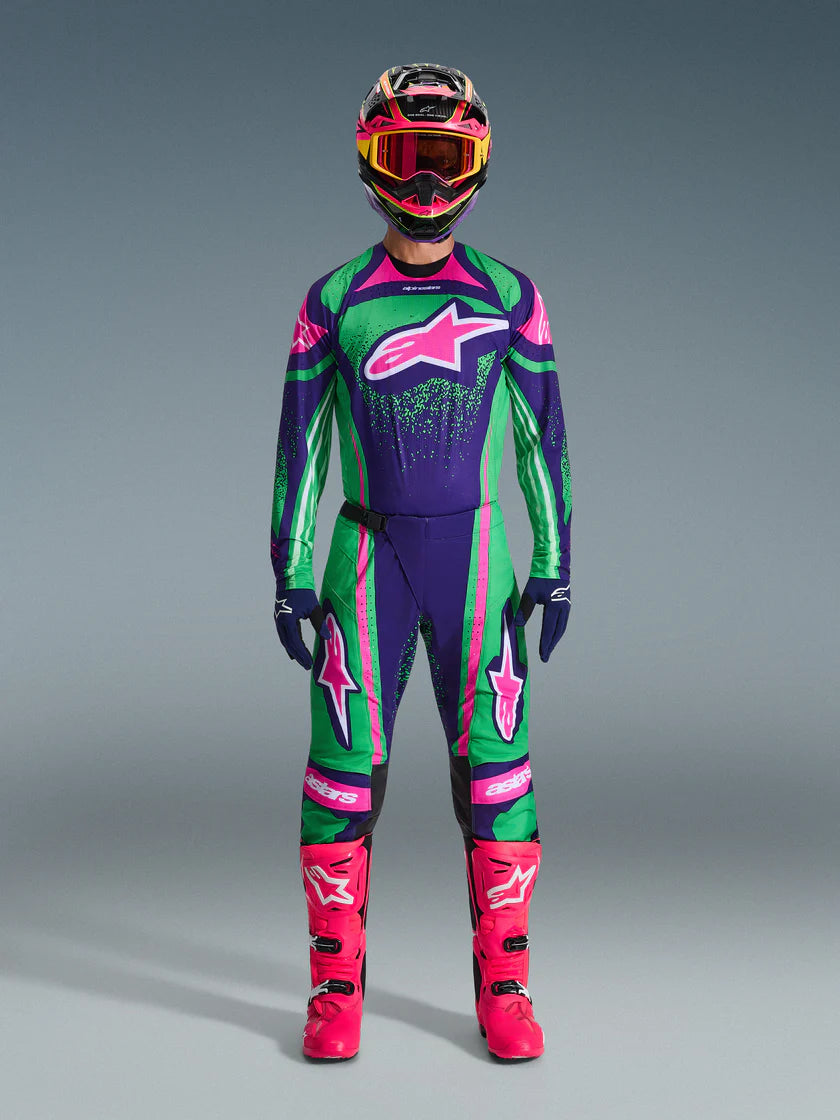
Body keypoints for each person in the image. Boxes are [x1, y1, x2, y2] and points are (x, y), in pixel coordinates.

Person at [270, 63, 572, 1063]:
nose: (427, 181)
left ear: (477, 163)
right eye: (406, 155)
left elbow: (540, 438)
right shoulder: (334, 301)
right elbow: (303, 445)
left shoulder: (511, 296)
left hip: (476, 559)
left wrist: (556, 559)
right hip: (367, 557)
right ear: (371, 162)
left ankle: (507, 987)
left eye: (445, 156)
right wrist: (290, 568)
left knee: (498, 770)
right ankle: (334, 990)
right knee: (341, 773)